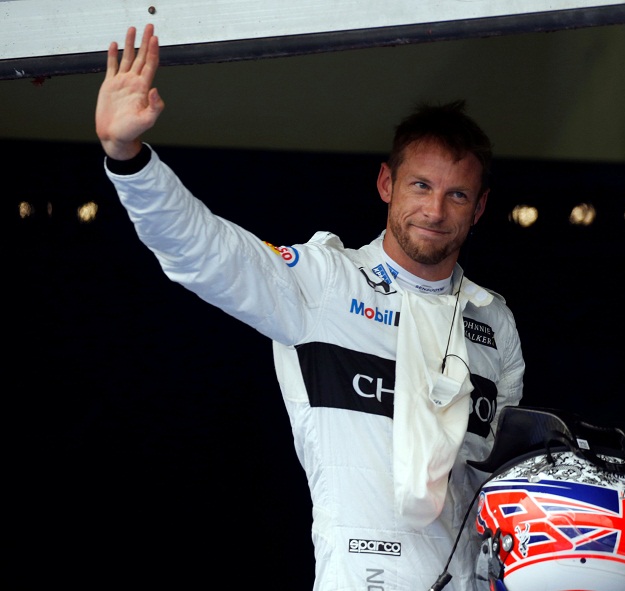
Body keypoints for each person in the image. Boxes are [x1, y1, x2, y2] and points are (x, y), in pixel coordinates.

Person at [96, 23, 525, 591]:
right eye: (421, 186)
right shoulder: (326, 281)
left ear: (480, 207)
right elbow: (204, 250)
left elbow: (511, 482)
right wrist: (127, 157)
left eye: (457, 194)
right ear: (385, 184)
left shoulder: (492, 320)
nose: (436, 210)